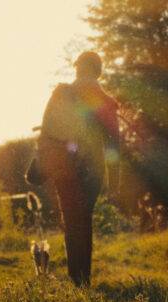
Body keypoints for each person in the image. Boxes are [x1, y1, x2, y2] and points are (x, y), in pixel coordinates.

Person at [36, 51, 121, 287]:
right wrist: (114, 180)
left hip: (65, 167)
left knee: (73, 221)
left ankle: (77, 280)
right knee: (84, 219)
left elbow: (46, 130)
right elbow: (113, 142)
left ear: (77, 68)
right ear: (98, 70)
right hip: (92, 169)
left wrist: (43, 161)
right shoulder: (104, 100)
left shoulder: (62, 94)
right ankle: (83, 279)